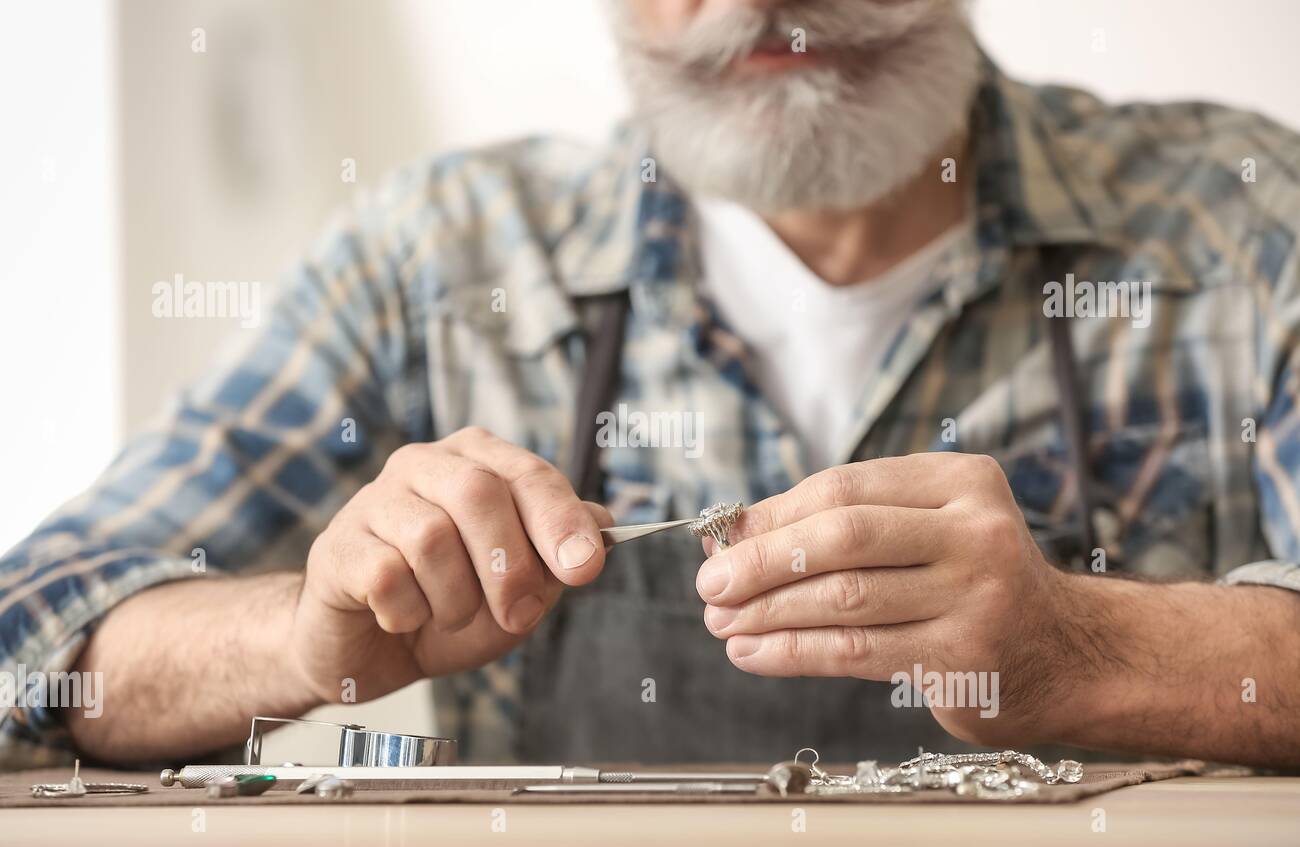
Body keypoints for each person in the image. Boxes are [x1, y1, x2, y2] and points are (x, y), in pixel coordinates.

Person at [3, 0, 1299, 770]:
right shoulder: (438, 261)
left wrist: (1087, 650)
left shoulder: (1242, 229)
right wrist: (298, 639)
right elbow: (33, 637)